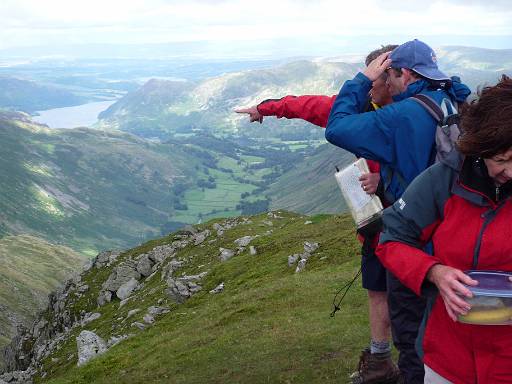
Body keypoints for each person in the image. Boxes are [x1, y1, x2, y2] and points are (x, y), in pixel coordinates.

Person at [237, 45, 402, 384]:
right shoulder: (360, 107)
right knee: (376, 289)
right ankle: (381, 361)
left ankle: (415, 363)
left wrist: (384, 177)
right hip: (375, 224)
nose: (369, 83)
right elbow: (307, 105)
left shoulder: (414, 113)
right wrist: (264, 109)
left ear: (394, 76)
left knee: (410, 294)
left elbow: (430, 164)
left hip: (410, 224)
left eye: (375, 76)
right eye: (367, 75)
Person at [325, 39, 471, 383]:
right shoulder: (457, 101)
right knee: (445, 331)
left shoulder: (403, 114)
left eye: (388, 75)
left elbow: (337, 127)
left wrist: (362, 79)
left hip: (414, 240)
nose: (386, 84)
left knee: (410, 337)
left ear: (403, 72)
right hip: (453, 233)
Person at [376, 75, 512, 384]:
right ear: (480, 148)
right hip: (448, 359)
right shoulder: (446, 180)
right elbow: (392, 238)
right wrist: (434, 272)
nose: (510, 172)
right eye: (501, 160)